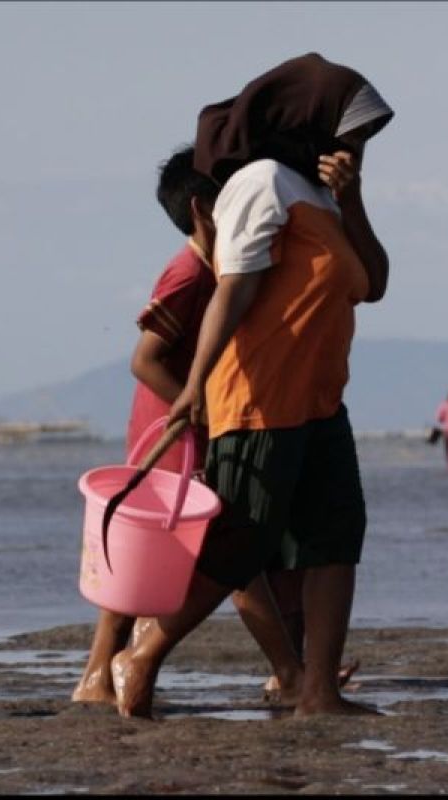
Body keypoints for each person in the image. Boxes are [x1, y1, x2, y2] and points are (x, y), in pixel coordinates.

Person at [110, 52, 393, 718]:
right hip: (259, 399)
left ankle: (318, 693)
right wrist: (195, 386)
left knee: (335, 538)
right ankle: (142, 652)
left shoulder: (322, 195)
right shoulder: (262, 182)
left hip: (321, 400)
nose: (353, 148)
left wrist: (352, 196)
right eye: (349, 134)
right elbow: (233, 291)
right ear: (311, 121)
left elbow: (373, 284)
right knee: (244, 543)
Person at [71, 146, 352, 706]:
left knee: (193, 554)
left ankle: (101, 676)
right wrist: (195, 404)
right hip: (177, 429)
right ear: (205, 208)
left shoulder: (225, 266)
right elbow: (144, 360)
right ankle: (284, 672)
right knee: (231, 555)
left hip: (196, 423)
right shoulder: (191, 272)